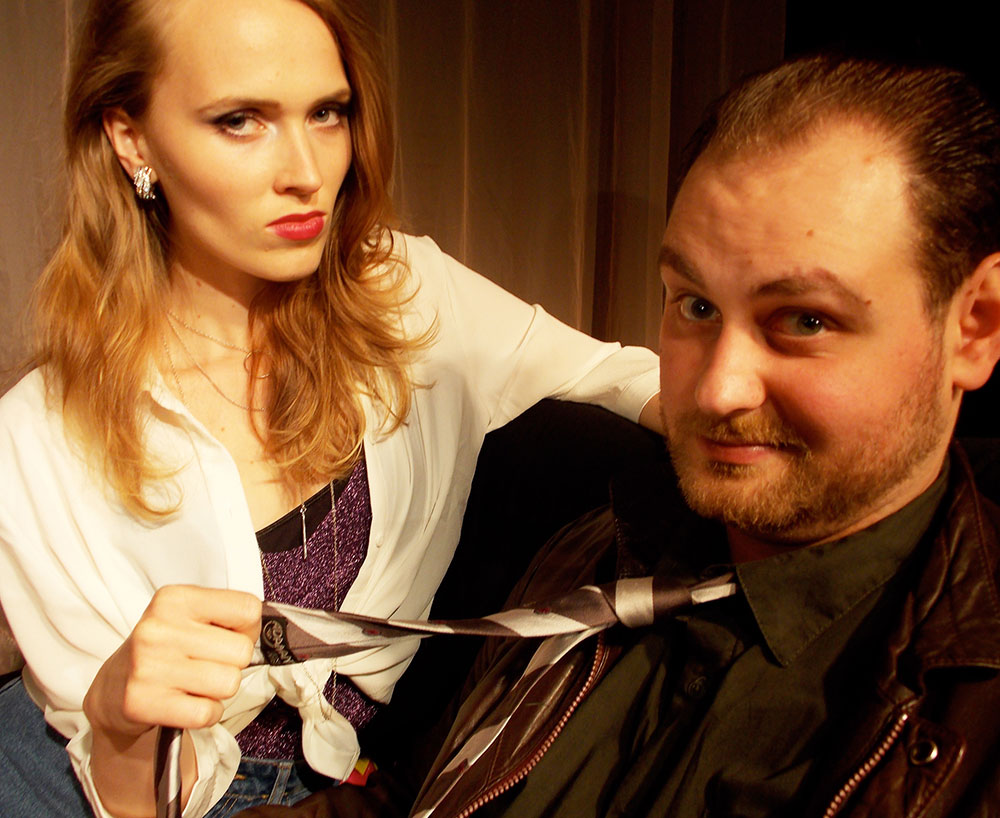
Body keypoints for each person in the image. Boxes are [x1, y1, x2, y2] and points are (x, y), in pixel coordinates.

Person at [0, 0, 662, 816]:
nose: (306, 172)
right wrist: (118, 718)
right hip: (76, 786)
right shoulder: (35, 443)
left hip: (338, 780)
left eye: (326, 113)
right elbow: (131, 799)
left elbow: (624, 377)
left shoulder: (406, 298)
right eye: (240, 120)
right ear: (130, 139)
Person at [406, 55, 1000, 818]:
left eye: (805, 320)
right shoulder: (596, 551)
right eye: (695, 306)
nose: (717, 390)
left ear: (974, 327)